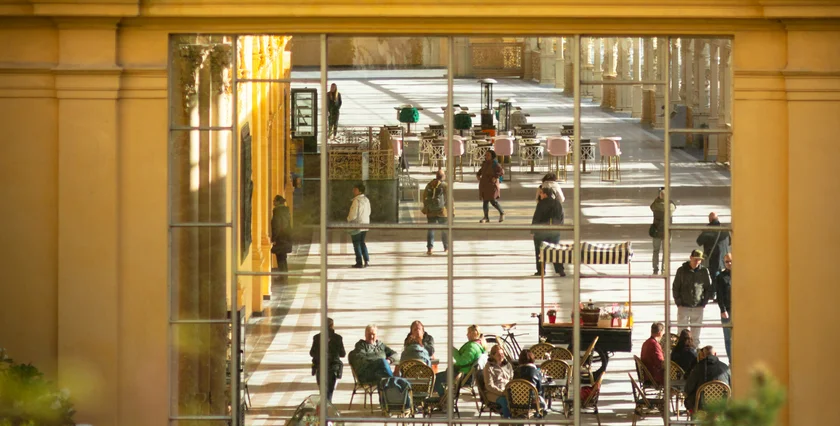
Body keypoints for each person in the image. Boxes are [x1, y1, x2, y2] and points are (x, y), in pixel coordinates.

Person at [673, 249, 713, 345]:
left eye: (699, 260)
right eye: (695, 259)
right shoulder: (681, 270)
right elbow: (675, 287)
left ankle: (694, 354)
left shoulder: (704, 271)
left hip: (698, 306)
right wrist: (678, 302)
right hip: (684, 306)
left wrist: (704, 302)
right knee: (681, 333)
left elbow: (708, 288)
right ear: (690, 258)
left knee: (695, 335)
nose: (697, 262)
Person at [434, 325, 487, 395]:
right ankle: (442, 399)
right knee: (436, 377)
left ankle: (442, 400)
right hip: (465, 374)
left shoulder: (472, 347)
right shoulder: (478, 345)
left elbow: (461, 361)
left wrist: (452, 350)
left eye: (468, 332)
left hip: (462, 375)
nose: (467, 334)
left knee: (435, 379)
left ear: (473, 334)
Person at [684, 346, 731, 413]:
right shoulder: (725, 368)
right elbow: (732, 387)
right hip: (722, 405)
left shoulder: (698, 368)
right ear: (715, 354)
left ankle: (694, 421)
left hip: (701, 406)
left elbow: (688, 389)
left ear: (703, 355)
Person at [309, 317, 346, 401]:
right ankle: (327, 407)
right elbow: (342, 354)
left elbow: (311, 353)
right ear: (332, 326)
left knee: (322, 392)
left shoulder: (316, 337)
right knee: (330, 391)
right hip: (333, 368)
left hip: (320, 367)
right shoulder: (338, 338)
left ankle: (323, 408)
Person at [531, 187, 565, 277]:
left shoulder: (541, 204)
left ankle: (541, 270)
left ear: (545, 194)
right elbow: (561, 217)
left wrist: (533, 230)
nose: (540, 195)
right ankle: (560, 270)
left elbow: (537, 217)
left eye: (541, 193)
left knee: (540, 251)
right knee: (555, 250)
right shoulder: (558, 203)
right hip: (554, 231)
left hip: (541, 232)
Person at [696, 212, 731, 282]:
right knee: (724, 282)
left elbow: (699, 241)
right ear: (717, 219)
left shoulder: (708, 231)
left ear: (710, 220)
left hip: (714, 262)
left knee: (715, 282)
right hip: (725, 261)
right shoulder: (725, 230)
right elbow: (730, 242)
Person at [650, 187, 677, 275]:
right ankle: (664, 269)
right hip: (666, 232)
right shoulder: (670, 206)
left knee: (655, 251)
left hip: (656, 232)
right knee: (666, 252)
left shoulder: (656, 205)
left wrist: (658, 199)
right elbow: (674, 207)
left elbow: (651, 206)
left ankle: (655, 269)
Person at [483, 344, 513, 418]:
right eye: (498, 355)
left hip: (507, 390)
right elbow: (489, 386)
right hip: (494, 393)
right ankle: (507, 422)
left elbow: (512, 379)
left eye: (502, 354)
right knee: (505, 402)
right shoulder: (489, 367)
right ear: (493, 356)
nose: (501, 356)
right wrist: (502, 392)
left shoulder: (507, 365)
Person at [423, 169, 448, 255]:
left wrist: (426, 207)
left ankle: (430, 248)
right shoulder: (445, 185)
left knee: (431, 230)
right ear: (443, 176)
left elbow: (424, 196)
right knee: (444, 229)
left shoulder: (429, 185)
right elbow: (449, 199)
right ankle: (446, 248)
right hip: (442, 211)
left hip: (431, 211)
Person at [476, 150, 505, 223]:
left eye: (488, 155)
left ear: (492, 156)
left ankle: (502, 212)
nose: (486, 157)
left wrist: (495, 177)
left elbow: (501, 172)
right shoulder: (484, 164)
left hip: (492, 185)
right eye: (486, 155)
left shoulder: (495, 164)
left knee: (493, 200)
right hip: (484, 185)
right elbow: (480, 171)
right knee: (485, 201)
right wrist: (478, 175)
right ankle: (486, 217)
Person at [347, 182, 371, 268]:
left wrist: (349, 219)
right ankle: (366, 260)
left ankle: (359, 262)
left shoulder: (356, 201)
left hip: (357, 224)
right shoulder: (366, 200)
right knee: (362, 242)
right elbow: (369, 212)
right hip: (365, 224)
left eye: (355, 189)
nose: (353, 190)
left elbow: (352, 214)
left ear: (360, 191)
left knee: (356, 244)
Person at [716, 253, 733, 361]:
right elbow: (719, 295)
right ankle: (731, 360)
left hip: (739, 310)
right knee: (728, 338)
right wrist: (722, 309)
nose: (729, 263)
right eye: (727, 262)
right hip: (727, 310)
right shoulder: (721, 277)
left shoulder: (739, 275)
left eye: (731, 261)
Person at [270, 195, 293, 272]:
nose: (273, 202)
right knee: (283, 258)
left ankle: (283, 277)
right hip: (286, 237)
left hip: (280, 238)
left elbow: (277, 226)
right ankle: (284, 276)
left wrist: (274, 238)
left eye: (274, 200)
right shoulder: (285, 211)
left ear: (278, 202)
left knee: (280, 259)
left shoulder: (278, 212)